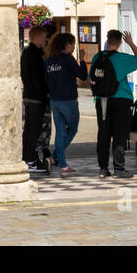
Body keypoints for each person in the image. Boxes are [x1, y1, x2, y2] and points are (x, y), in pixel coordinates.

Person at [90, 29, 137, 178]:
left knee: (103, 133)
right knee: (119, 134)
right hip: (121, 99)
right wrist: (131, 43)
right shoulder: (123, 58)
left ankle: (103, 169)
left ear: (107, 41)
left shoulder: (97, 57)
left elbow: (91, 76)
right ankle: (119, 169)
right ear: (120, 42)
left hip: (102, 100)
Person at [44, 32, 89, 174]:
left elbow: (46, 81)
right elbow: (82, 75)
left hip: (54, 100)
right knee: (73, 129)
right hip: (68, 100)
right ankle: (55, 158)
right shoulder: (68, 59)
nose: (74, 47)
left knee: (60, 132)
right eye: (73, 44)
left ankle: (60, 163)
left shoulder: (49, 60)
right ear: (67, 45)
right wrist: (82, 60)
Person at [20, 25, 52, 173]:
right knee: (35, 129)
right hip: (37, 97)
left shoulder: (26, 52)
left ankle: (25, 157)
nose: (46, 40)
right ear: (38, 37)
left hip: (28, 95)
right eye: (44, 37)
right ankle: (31, 160)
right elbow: (38, 77)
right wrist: (46, 92)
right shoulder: (36, 54)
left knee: (28, 129)